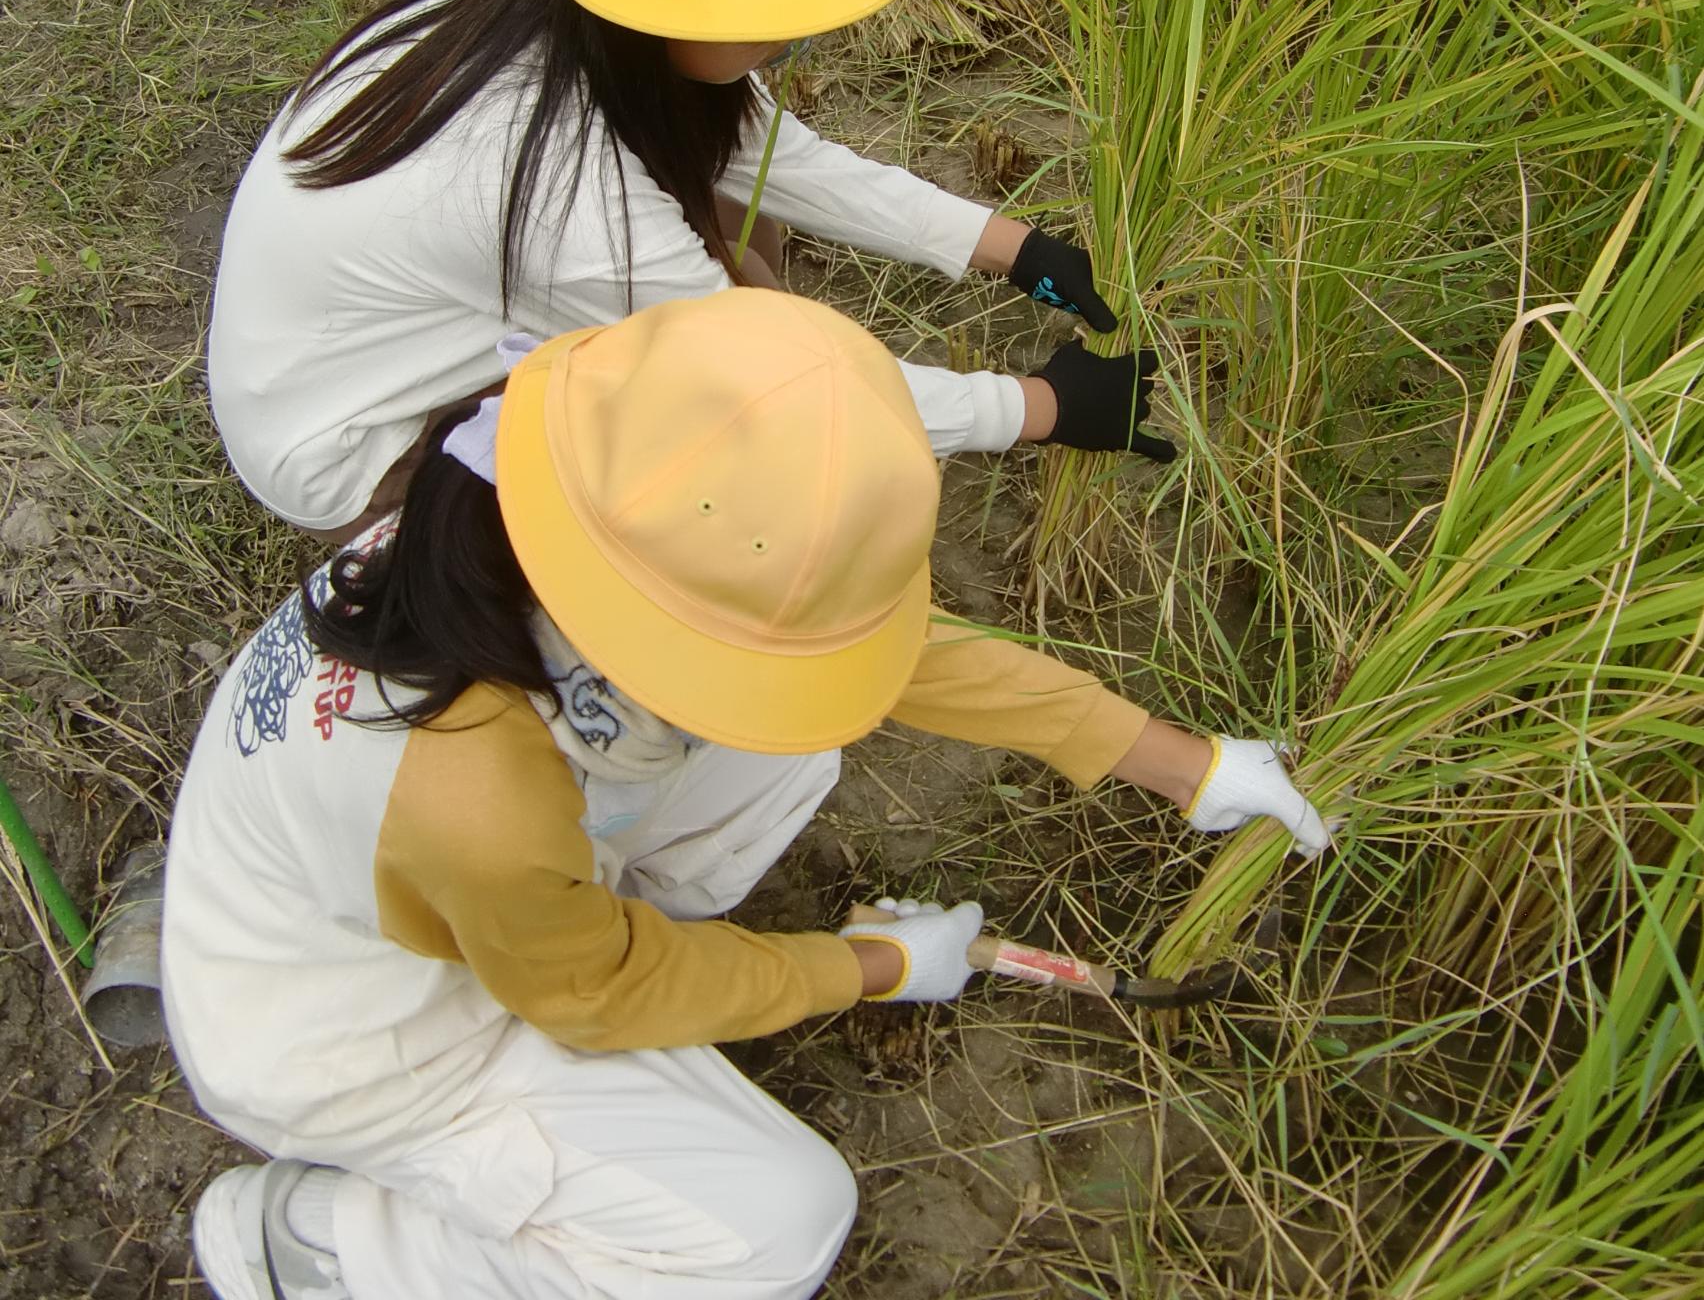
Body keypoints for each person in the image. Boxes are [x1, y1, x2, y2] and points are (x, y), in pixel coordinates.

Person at [166, 287, 1330, 1299]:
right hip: (348, 1029)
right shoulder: (476, 798)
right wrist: (871, 967)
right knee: (777, 1224)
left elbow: (896, 654)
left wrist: (1186, 763)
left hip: (401, 886)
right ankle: (329, 1247)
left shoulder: (544, 491)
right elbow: (600, 989)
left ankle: (632, 946)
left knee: (796, 737)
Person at [208, 0, 1176, 539]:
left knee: (746, 245)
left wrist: (1014, 250)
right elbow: (771, 391)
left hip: (384, 334)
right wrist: (1040, 408)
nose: (799, 24)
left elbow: (775, 156)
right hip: (357, 448)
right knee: (740, 463)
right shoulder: (552, 183)